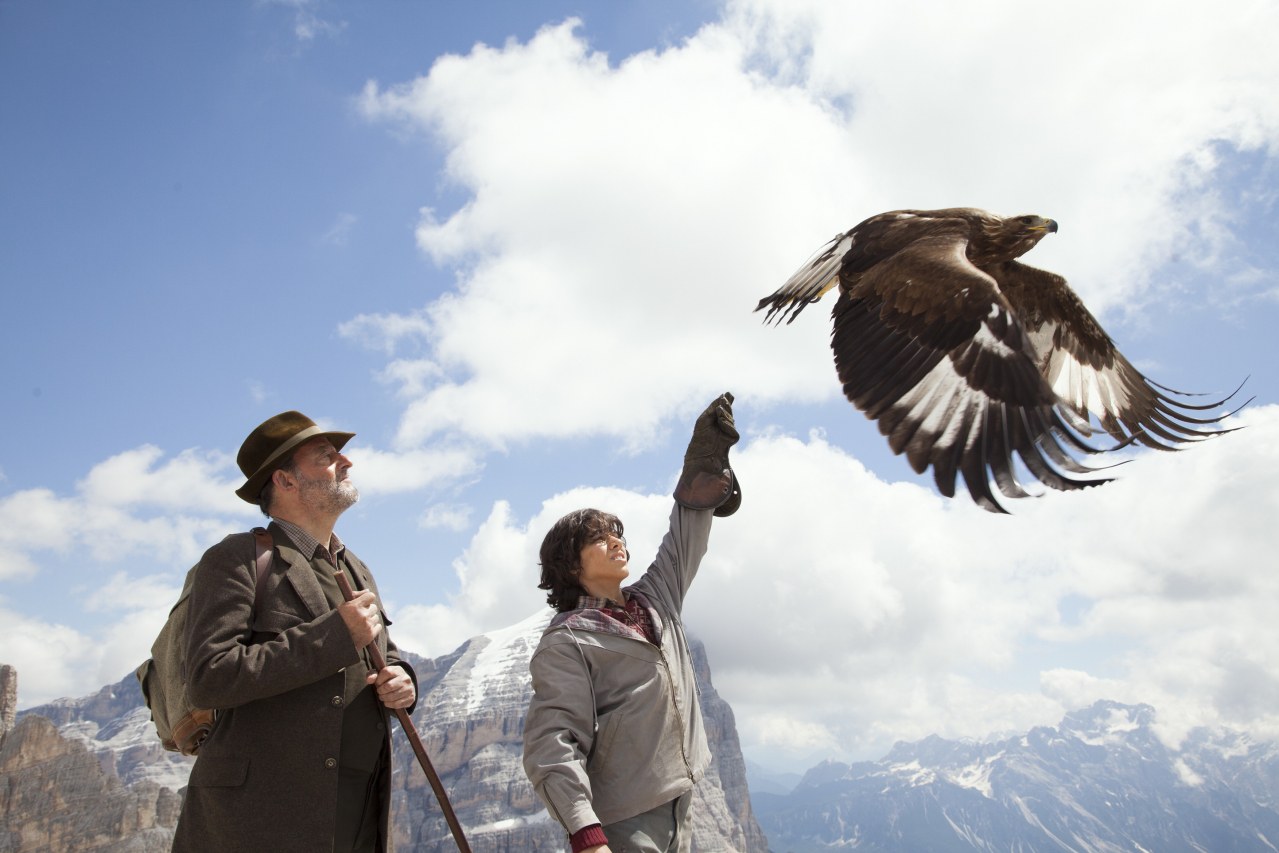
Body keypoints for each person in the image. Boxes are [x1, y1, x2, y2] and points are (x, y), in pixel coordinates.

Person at [172, 411, 417, 853]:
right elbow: (209, 676)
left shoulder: (356, 568)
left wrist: (403, 682)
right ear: (285, 481)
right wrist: (333, 636)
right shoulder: (236, 559)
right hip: (261, 821)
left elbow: (384, 653)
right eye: (326, 456)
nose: (346, 462)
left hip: (357, 809)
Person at [522, 392, 742, 853]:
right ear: (570, 562)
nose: (615, 542)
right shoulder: (567, 642)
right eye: (598, 538)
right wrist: (586, 834)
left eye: (617, 534)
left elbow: (685, 535)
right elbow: (554, 741)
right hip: (623, 821)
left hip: (682, 800)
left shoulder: (656, 597)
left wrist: (702, 466)